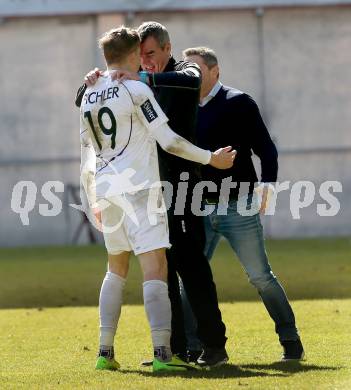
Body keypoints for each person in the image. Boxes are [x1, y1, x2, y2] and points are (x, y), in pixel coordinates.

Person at [79, 28, 235, 372]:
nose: (145, 61)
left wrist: (91, 197)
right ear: (134, 52)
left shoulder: (89, 92)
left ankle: (104, 353)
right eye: (142, 55)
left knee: (115, 269)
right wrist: (212, 159)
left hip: (107, 189)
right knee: (157, 268)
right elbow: (169, 141)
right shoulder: (135, 89)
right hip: (142, 189)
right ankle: (165, 355)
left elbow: (86, 153)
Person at [180, 47, 305, 361]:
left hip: (240, 204)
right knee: (192, 279)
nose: (190, 76)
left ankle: (291, 342)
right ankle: (193, 347)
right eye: (186, 71)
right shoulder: (182, 107)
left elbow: (266, 149)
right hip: (197, 206)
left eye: (196, 70)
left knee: (261, 276)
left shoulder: (239, 103)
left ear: (215, 71)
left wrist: (268, 186)